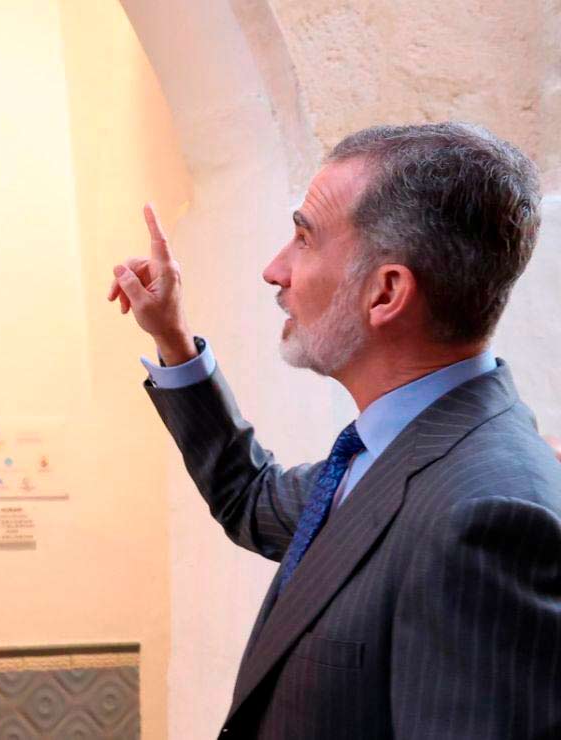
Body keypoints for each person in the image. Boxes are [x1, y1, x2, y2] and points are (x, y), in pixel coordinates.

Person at [109, 123, 561, 738]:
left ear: (386, 292)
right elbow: (250, 498)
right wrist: (172, 338)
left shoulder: (483, 519)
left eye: (303, 238)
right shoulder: (395, 450)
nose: (275, 270)